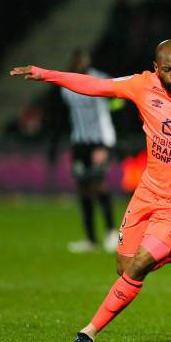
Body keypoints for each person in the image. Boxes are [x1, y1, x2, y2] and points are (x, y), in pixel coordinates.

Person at [10, 39, 171, 342]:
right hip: (147, 192)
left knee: (139, 265)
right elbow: (95, 85)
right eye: (169, 69)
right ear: (157, 68)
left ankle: (88, 332)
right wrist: (46, 74)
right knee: (124, 266)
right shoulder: (142, 85)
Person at [58, 49, 119, 254]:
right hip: (80, 142)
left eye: (85, 59)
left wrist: (105, 144)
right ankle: (91, 240)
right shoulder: (66, 84)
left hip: (99, 142)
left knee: (98, 184)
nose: (83, 63)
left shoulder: (99, 79)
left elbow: (115, 103)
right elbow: (67, 117)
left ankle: (112, 232)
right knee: (83, 188)